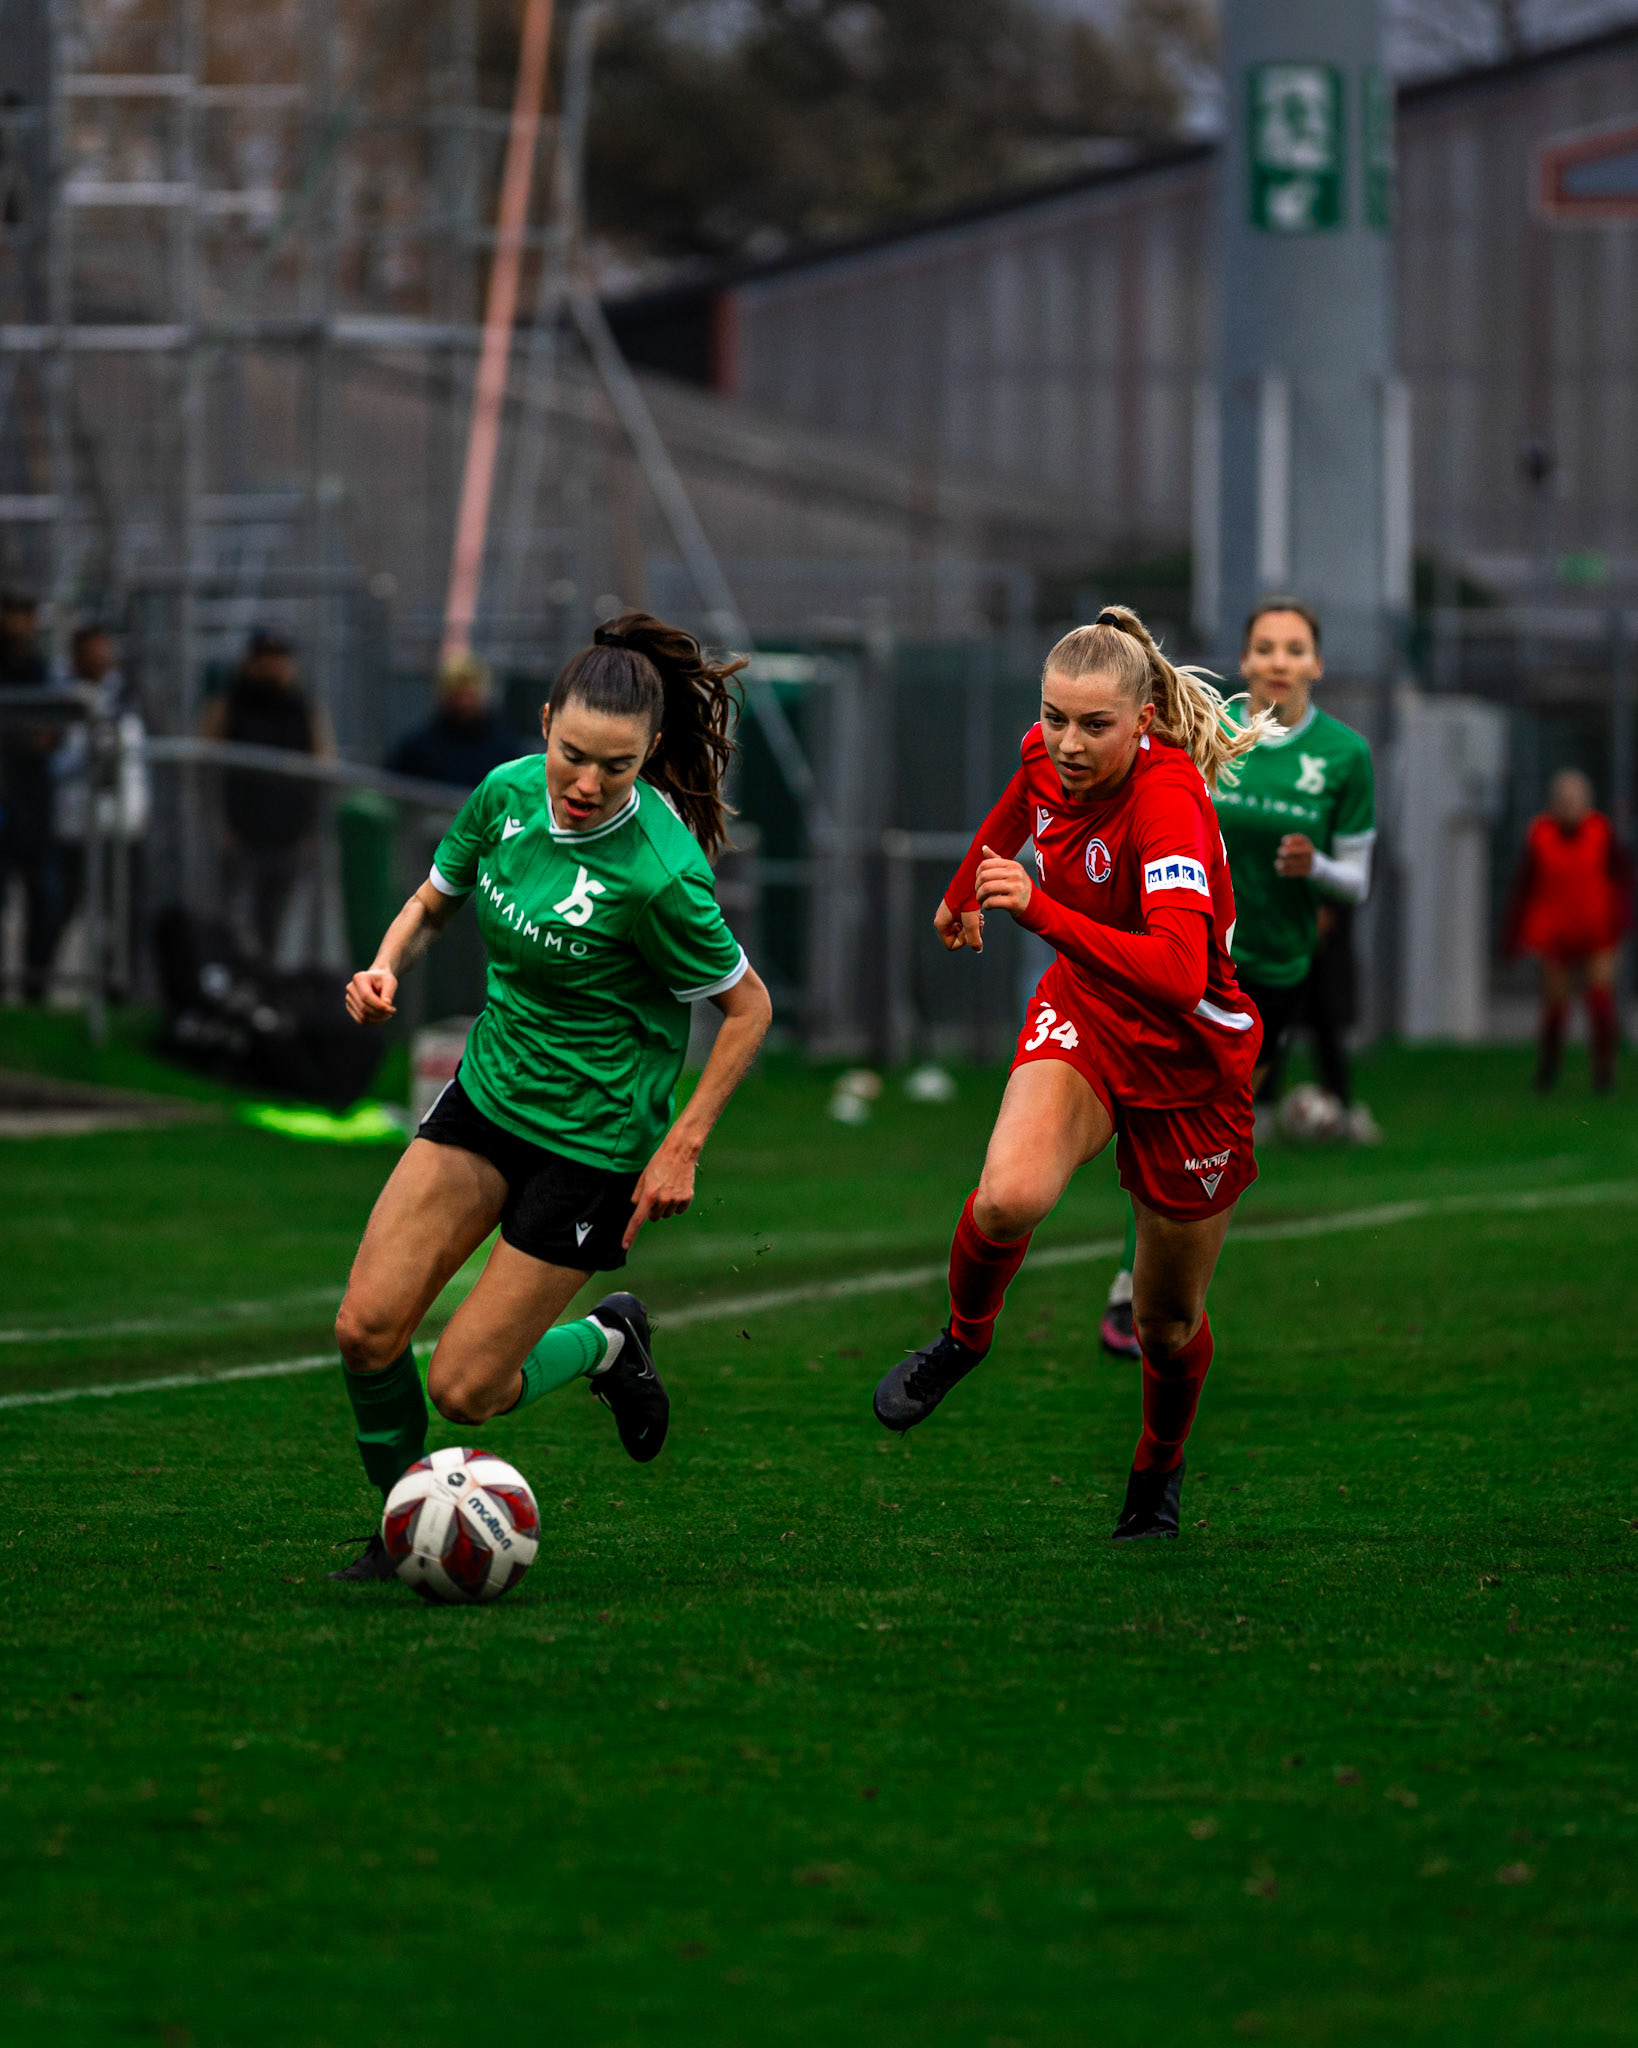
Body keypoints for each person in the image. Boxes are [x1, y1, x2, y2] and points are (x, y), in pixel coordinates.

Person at [328, 612, 773, 1582]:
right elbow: (437, 894)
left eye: (615, 767)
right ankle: (402, 1522)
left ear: (648, 754)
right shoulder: (504, 796)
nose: (585, 783)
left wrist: (683, 1143)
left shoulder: (661, 876)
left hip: (594, 1143)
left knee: (466, 1387)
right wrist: (385, 964)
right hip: (488, 1095)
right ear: (543, 727)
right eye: (572, 755)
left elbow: (747, 1007)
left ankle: (608, 1341)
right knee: (366, 1329)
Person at [872, 606, 1273, 1542]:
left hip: (1191, 1065)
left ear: (1143, 721)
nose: (1067, 742)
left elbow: (1178, 975)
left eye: (1094, 725)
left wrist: (1039, 908)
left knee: (1166, 1325)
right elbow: (1023, 797)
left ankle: (1156, 1468)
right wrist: (962, 883)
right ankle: (964, 1339)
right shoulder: (1052, 754)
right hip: (1088, 1015)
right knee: (1008, 1196)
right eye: (1055, 717)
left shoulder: (1167, 803)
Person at [1098, 597, 1375, 1359]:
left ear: (1316, 663)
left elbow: (1356, 879)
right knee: (1161, 1113)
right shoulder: (1208, 727)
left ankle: (1170, 1289)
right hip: (1189, 958)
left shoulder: (1345, 756)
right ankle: (1134, 1290)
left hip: (1274, 970)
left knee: (1217, 1127)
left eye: (1294, 648)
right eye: (1264, 648)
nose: (1278, 661)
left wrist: (1312, 867)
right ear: (1245, 660)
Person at [201, 628, 333, 963]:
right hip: (241, 832)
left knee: (273, 924)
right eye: (266, 659)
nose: (273, 666)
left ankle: (267, 988)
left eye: (280, 659)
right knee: (232, 919)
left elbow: (323, 767)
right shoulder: (231, 704)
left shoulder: (303, 708)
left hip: (288, 834)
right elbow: (205, 767)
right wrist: (217, 823)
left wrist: (310, 830)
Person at [1503, 767, 1631, 1093]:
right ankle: (1549, 1067)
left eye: (1575, 799)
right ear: (1552, 803)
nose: (1569, 805)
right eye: (1562, 799)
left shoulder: (1602, 832)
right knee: (1555, 1008)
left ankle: (1604, 1070)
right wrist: (1513, 937)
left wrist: (1622, 921)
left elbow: (1623, 880)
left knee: (1600, 1001)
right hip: (1554, 932)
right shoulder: (1540, 835)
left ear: (1587, 802)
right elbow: (1523, 887)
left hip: (1597, 930)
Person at [51, 623, 149, 998]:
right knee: (60, 914)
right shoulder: (61, 697)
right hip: (75, 828)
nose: (101, 659)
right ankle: (37, 992)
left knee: (126, 919)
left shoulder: (123, 697)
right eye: (93, 651)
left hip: (123, 827)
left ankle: (121, 992)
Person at [0, 591, 58, 1001]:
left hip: (33, 803)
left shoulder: (39, 667)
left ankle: (35, 988)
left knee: (45, 900)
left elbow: (51, 731)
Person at [386, 652, 517, 789]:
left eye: (469, 695)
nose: (464, 703)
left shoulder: (505, 750)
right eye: (457, 695)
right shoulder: (417, 748)